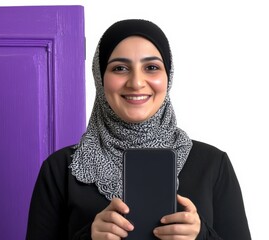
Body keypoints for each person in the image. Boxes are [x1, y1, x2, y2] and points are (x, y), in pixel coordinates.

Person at [26, 19, 251, 240]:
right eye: (120, 68)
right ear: (100, 77)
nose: (136, 82)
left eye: (151, 67)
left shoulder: (212, 164)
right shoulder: (60, 169)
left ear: (168, 77)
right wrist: (89, 237)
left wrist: (201, 235)